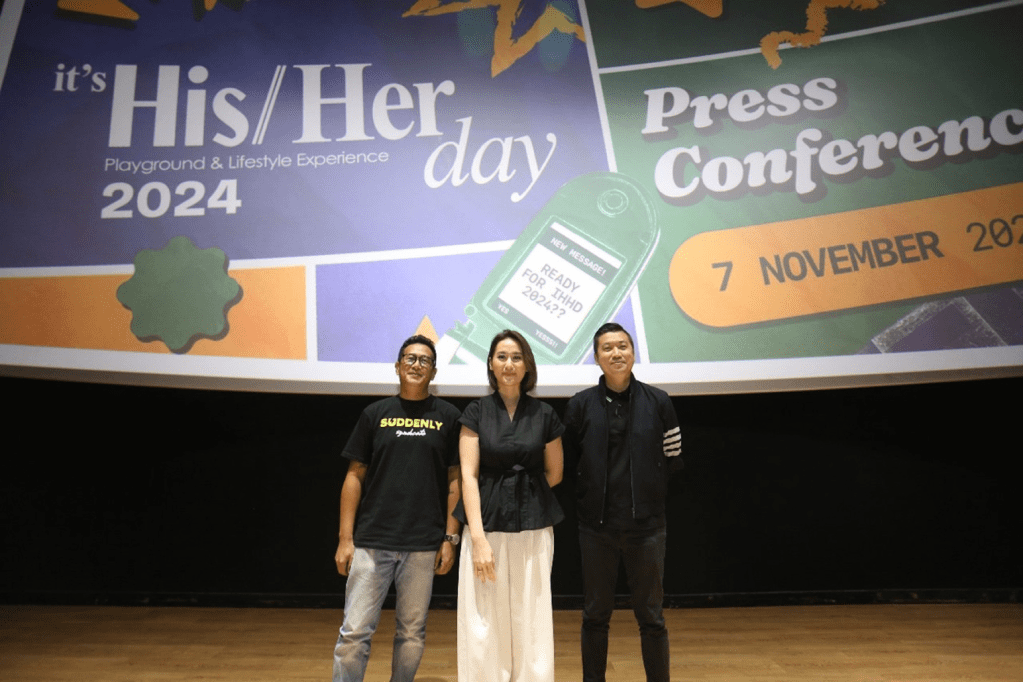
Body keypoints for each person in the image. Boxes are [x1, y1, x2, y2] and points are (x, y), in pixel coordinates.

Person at [332, 334, 462, 682]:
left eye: (424, 360)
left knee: (411, 633)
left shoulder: (449, 417)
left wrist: (450, 538)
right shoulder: (375, 414)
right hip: (372, 541)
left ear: (434, 372)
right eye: (410, 358)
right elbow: (354, 477)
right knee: (354, 632)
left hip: (423, 544)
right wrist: (345, 538)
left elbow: (455, 481)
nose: (416, 365)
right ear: (397, 366)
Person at [563, 322, 682, 682]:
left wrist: (650, 497)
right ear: (596, 357)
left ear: (633, 351)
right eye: (608, 348)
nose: (616, 353)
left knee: (652, 618)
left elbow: (673, 458)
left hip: (647, 529)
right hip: (596, 529)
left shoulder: (659, 401)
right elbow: (570, 461)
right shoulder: (580, 405)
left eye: (623, 346)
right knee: (595, 616)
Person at [455, 329, 565, 682]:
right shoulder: (475, 411)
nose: (509, 364)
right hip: (484, 524)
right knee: (484, 617)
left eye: (516, 357)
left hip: (534, 524)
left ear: (527, 364)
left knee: (531, 614)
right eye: (502, 356)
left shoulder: (544, 413)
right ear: (491, 363)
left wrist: (522, 496)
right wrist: (478, 538)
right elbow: (468, 476)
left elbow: (555, 473)